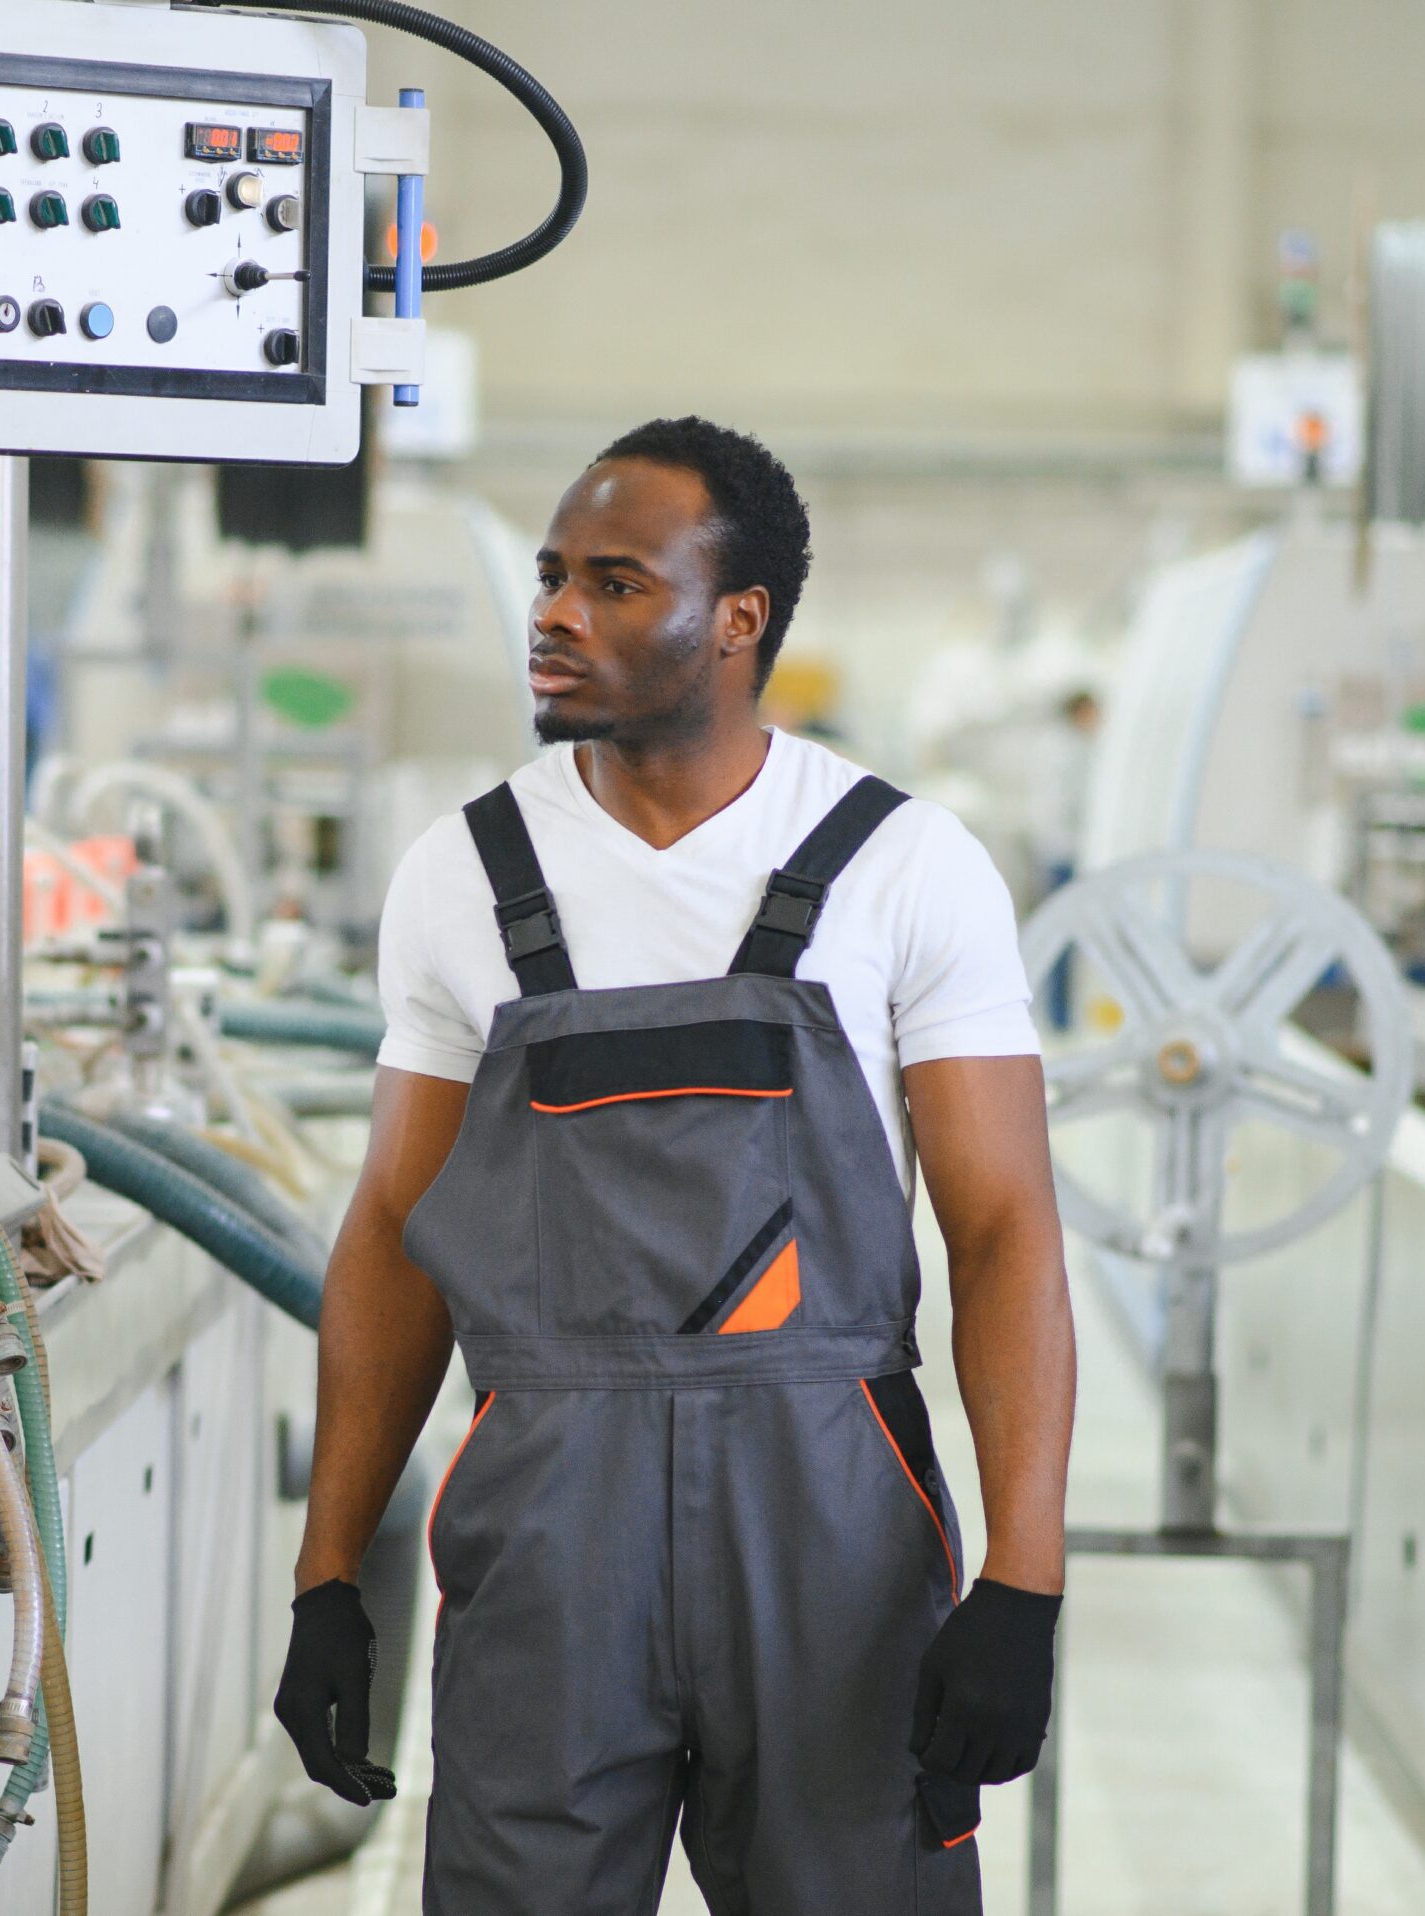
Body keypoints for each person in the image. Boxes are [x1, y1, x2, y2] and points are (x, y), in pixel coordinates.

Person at [274, 418, 1077, 1913]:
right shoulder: (464, 874)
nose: (557, 614)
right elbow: (394, 1229)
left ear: (738, 620)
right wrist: (329, 1571)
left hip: (827, 1521)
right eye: (552, 576)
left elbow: (1005, 1229)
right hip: (546, 1521)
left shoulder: (900, 866)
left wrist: (1025, 1580)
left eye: (618, 583)